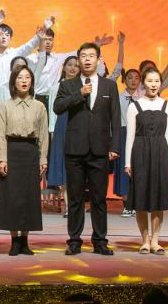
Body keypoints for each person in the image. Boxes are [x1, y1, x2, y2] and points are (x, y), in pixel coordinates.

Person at [52, 42, 122, 256]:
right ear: (79, 59)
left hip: (100, 150)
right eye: (83, 56)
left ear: (98, 60)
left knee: (99, 199)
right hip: (75, 150)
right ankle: (74, 241)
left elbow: (115, 118)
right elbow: (57, 107)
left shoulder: (109, 86)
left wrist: (115, 146)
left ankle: (100, 241)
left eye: (92, 56)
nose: (88, 59)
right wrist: (79, 94)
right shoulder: (68, 85)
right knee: (75, 199)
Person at [0, 17, 53, 189]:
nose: (4, 37)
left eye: (7, 34)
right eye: (0, 34)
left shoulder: (16, 54)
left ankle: (21, 173)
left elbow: (31, 46)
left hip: (18, 99)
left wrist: (42, 33)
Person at [0, 65, 49, 256]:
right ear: (13, 82)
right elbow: (0, 135)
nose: (24, 81)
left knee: (29, 198)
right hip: (12, 152)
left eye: (27, 77)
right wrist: (2, 159)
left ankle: (25, 240)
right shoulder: (5, 106)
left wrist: (43, 159)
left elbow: (44, 135)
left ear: (32, 81)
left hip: (31, 152)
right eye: (20, 78)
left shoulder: (39, 106)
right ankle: (14, 240)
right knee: (13, 198)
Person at [124, 68, 168, 255]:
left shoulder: (167, 105)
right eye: (150, 81)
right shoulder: (134, 106)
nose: (153, 85)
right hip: (140, 153)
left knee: (157, 199)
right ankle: (145, 240)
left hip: (161, 153)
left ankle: (155, 241)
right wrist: (128, 162)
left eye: (156, 81)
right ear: (143, 83)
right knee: (141, 199)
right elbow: (130, 136)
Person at [47, 56, 80, 214]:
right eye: (70, 65)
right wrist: (53, 132)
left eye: (76, 65)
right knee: (64, 166)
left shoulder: (83, 86)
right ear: (64, 67)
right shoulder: (56, 87)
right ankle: (68, 206)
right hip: (61, 126)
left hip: (78, 125)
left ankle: (76, 204)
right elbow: (52, 111)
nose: (73, 68)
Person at [116, 65, 142, 219]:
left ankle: (138, 203)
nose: (133, 81)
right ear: (124, 80)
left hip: (140, 135)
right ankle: (126, 205)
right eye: (130, 78)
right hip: (123, 133)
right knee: (124, 169)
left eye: (136, 78)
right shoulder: (118, 98)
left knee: (139, 168)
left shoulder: (144, 98)